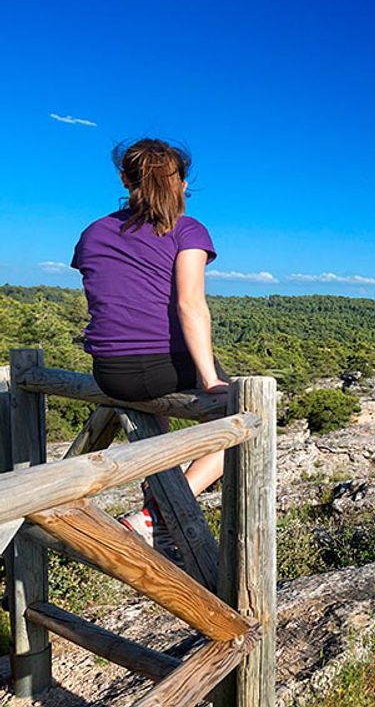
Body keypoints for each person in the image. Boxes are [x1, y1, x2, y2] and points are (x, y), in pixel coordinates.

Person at [70, 138, 229, 549]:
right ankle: (157, 515)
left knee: (156, 432)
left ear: (124, 179)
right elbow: (190, 305)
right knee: (245, 423)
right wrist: (210, 380)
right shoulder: (187, 229)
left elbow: (109, 294)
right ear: (182, 182)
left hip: (111, 373)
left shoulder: (93, 233)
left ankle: (157, 511)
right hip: (163, 367)